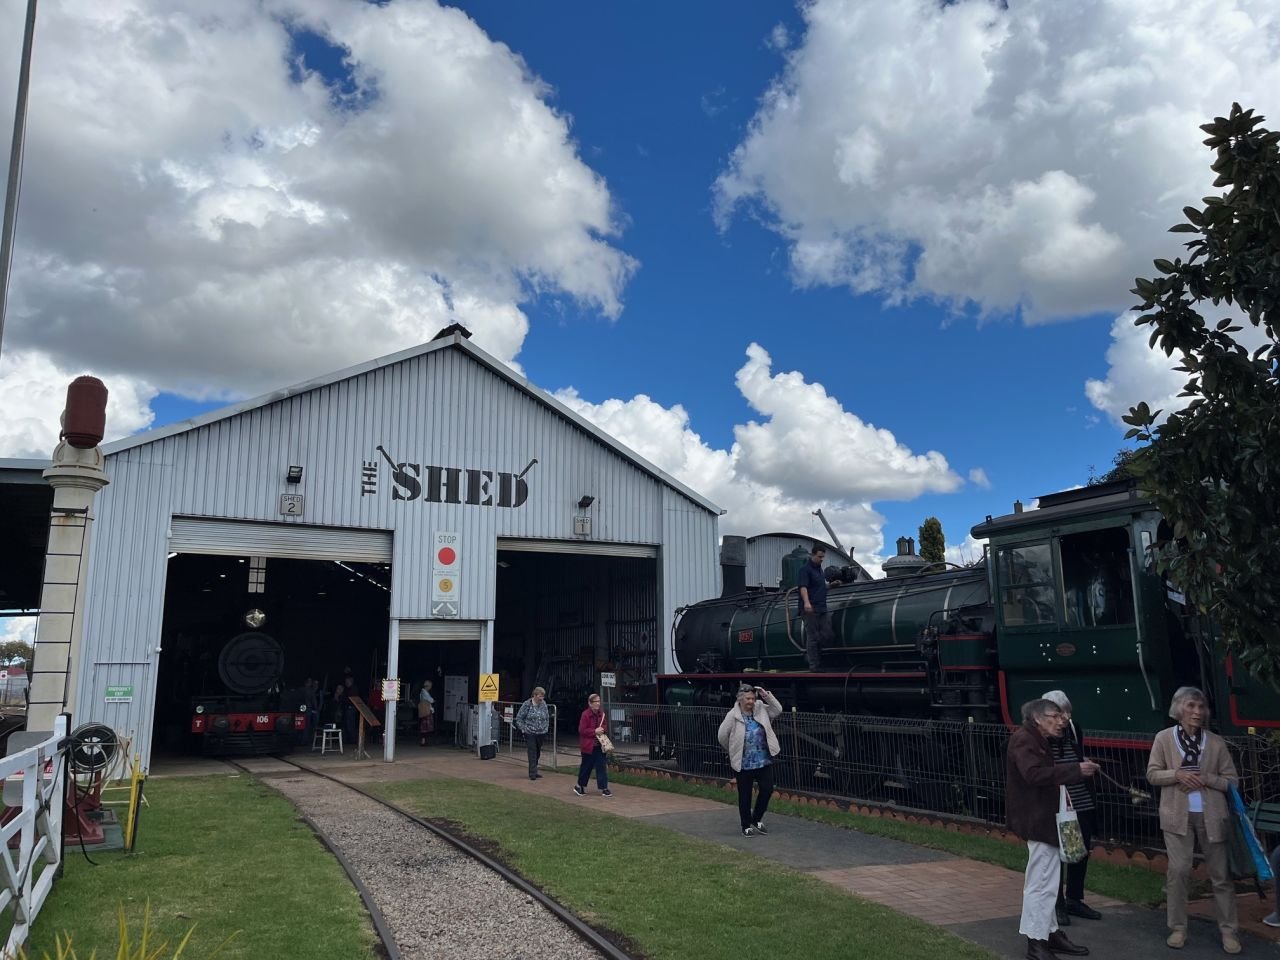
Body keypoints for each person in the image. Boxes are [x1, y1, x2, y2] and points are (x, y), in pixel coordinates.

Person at [1146, 686, 1240, 954]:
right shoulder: (1163, 739)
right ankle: (1178, 928)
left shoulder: (1216, 742)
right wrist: (1178, 775)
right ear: (1178, 709)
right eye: (1191, 706)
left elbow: (1232, 781)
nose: (1197, 712)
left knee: (1221, 876)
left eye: (1201, 707)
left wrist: (1206, 779)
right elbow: (1152, 774)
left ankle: (1229, 931)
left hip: (1212, 817)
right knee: (1178, 872)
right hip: (1176, 817)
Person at [1007, 698, 1098, 960]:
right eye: (1055, 716)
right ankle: (1036, 943)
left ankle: (1050, 933)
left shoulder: (1035, 739)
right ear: (1037, 718)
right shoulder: (1025, 740)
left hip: (1045, 818)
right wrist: (1075, 770)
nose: (1062, 721)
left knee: (1048, 880)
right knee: (1040, 882)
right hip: (1038, 820)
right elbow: (1034, 775)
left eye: (1062, 716)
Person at [1041, 690, 1102, 926]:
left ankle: (1074, 899)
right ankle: (1056, 904)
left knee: (1081, 849)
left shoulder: (1075, 729)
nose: (1065, 718)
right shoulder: (1042, 736)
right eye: (1059, 713)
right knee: (1057, 853)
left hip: (1080, 797)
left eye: (1067, 712)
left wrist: (1084, 765)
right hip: (1057, 799)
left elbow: (1076, 756)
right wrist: (1075, 768)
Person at [717, 684, 782, 837]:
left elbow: (777, 710)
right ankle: (745, 825)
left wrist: (766, 695)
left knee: (767, 789)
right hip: (744, 762)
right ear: (740, 700)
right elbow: (722, 736)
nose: (751, 701)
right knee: (745, 795)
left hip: (763, 759)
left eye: (753, 698)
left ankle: (756, 818)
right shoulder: (733, 715)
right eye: (748, 698)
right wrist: (733, 750)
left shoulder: (760, 708)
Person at [797, 544, 831, 671]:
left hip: (822, 607)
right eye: (820, 557)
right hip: (811, 609)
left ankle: (820, 660)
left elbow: (819, 587)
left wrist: (831, 585)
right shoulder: (805, 570)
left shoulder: (820, 570)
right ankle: (813, 665)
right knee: (812, 637)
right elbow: (803, 587)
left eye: (823, 557)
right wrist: (806, 603)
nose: (822, 559)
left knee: (827, 634)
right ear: (812, 555)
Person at [573, 693, 612, 798]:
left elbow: (605, 726)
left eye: (599, 701)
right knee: (586, 767)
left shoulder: (602, 714)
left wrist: (602, 729)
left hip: (599, 745)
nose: (598, 704)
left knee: (601, 766)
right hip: (588, 746)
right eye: (596, 701)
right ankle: (580, 786)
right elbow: (582, 730)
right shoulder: (585, 715)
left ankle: (604, 788)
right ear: (590, 703)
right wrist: (594, 731)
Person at [515, 686, 550, 780]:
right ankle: (532, 773)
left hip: (541, 732)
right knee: (532, 751)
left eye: (543, 696)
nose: (541, 698)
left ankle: (535, 769)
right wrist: (523, 729)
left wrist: (546, 728)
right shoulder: (526, 704)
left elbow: (546, 717)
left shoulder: (544, 704)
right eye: (540, 696)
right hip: (529, 732)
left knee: (537, 752)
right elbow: (519, 718)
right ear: (534, 695)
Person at [417, 679, 435, 746]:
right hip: (426, 711)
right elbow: (431, 700)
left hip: (423, 711)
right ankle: (423, 742)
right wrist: (433, 700)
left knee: (424, 726)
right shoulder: (425, 692)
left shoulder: (422, 692)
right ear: (428, 686)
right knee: (425, 727)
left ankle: (423, 741)